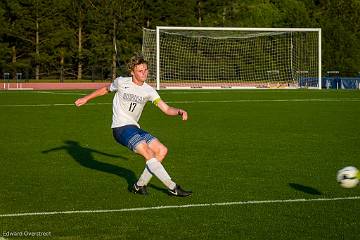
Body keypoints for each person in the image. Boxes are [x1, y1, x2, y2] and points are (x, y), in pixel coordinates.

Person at [74, 53, 192, 197]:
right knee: (148, 152)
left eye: (146, 70)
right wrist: (86, 98)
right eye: (140, 71)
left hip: (134, 127)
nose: (144, 73)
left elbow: (166, 109)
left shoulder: (149, 90)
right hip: (120, 128)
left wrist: (179, 111)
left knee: (161, 150)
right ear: (132, 72)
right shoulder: (121, 82)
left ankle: (139, 185)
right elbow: (105, 89)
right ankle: (173, 187)